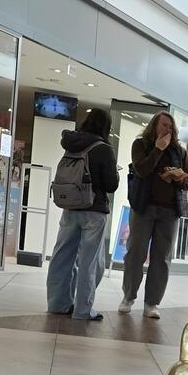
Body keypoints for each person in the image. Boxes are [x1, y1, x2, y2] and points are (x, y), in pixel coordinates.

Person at [45, 109, 119, 321]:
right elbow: (110, 185)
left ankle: (57, 304)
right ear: (106, 126)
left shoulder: (71, 143)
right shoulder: (103, 148)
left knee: (62, 256)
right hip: (93, 211)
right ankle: (82, 310)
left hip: (70, 206)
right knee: (90, 262)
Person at [121, 112, 188, 318]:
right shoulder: (141, 145)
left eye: (170, 127)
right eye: (163, 125)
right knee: (136, 252)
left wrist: (179, 177)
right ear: (154, 126)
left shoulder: (179, 151)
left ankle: (151, 303)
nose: (167, 130)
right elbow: (142, 170)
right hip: (143, 207)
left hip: (169, 211)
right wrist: (158, 149)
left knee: (161, 258)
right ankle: (128, 296)